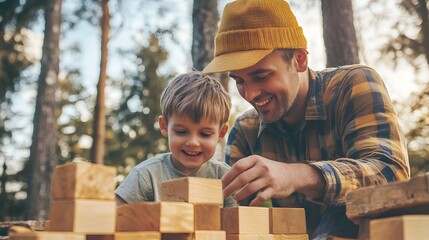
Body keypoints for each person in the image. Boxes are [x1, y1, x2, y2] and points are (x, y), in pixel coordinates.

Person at [202, 0, 410, 239]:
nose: (250, 94)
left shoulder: (353, 85)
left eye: (261, 76)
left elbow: (392, 175)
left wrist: (298, 175)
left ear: (299, 60)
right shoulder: (244, 132)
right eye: (239, 81)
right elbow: (236, 222)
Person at [115, 72, 237, 208]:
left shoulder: (226, 178)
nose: (193, 142)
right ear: (164, 126)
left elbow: (239, 223)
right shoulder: (146, 175)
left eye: (205, 134)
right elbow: (113, 215)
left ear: (221, 133)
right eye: (181, 132)